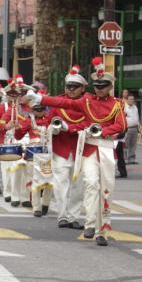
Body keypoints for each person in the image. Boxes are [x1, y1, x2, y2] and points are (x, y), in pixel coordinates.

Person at [33, 57, 125, 245]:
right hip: (89, 149)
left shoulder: (117, 104)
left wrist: (103, 131)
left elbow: (121, 125)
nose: (99, 88)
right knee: (90, 184)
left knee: (105, 190)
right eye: (97, 85)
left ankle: (102, 230)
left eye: (103, 85)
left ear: (110, 86)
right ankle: (90, 224)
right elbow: (64, 103)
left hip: (106, 149)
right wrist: (40, 98)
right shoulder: (87, 101)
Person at [47, 68, 88, 229]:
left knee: (78, 186)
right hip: (61, 148)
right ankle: (62, 215)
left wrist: (70, 127)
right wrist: (55, 128)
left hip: (81, 148)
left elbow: (91, 122)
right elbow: (48, 122)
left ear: (82, 88)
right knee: (60, 184)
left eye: (75, 87)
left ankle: (74, 216)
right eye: (68, 87)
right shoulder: (58, 102)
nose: (71, 90)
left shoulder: (87, 104)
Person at [122, 90, 139, 164]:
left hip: (135, 128)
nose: (131, 100)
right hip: (127, 129)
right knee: (126, 145)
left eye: (132, 99)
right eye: (130, 99)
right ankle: (125, 160)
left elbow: (137, 117)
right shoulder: (124, 107)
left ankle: (131, 159)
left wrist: (139, 126)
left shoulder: (135, 107)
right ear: (127, 99)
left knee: (133, 145)